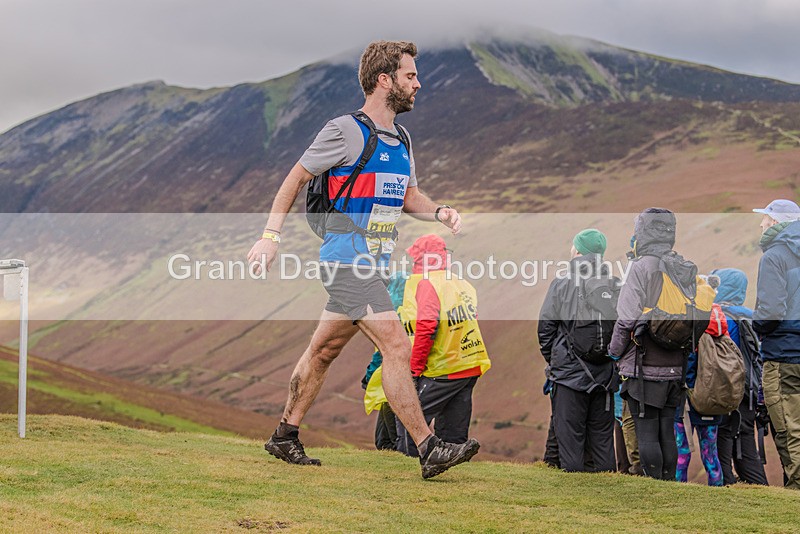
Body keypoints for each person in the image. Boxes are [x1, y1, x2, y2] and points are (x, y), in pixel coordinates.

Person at [247, 40, 478, 479]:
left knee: (323, 350)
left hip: (374, 261)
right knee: (395, 343)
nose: (418, 83)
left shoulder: (403, 137)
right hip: (344, 258)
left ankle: (284, 436)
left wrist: (440, 212)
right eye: (410, 76)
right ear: (384, 80)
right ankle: (429, 449)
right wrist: (269, 236)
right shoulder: (344, 130)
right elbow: (295, 177)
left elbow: (408, 195)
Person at [394, 234, 491, 457]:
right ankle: (452, 476)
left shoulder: (428, 283)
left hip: (442, 368)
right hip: (469, 364)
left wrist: (415, 368)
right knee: (454, 431)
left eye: (415, 258)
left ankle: (406, 472)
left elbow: (427, 326)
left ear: (422, 259)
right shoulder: (461, 283)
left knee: (411, 421)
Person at [610, 208, 687, 481]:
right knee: (667, 427)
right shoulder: (681, 267)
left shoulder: (640, 267)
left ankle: (653, 483)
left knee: (645, 429)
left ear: (642, 234)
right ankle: (668, 483)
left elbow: (626, 318)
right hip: (675, 364)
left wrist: (614, 352)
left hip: (643, 366)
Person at [538, 229, 617, 473]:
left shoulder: (562, 283)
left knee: (570, 438)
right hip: (604, 374)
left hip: (569, 375)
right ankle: (606, 489)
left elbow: (545, 329)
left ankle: (573, 492)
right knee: (603, 439)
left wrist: (557, 360)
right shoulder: (613, 284)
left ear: (578, 251)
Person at [753, 199, 800, 489]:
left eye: (766, 218)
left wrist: (757, 326)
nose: (761, 224)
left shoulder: (774, 256)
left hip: (784, 356)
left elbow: (770, 312)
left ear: (777, 222)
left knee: (788, 429)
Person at [712, 268, 769, 486]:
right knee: (745, 438)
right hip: (751, 391)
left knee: (722, 436)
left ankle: (725, 483)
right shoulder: (753, 317)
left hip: (726, 388)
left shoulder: (719, 317)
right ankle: (758, 485)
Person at [674, 304, 728, 487]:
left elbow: (686, 372)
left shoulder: (691, 335)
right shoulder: (721, 336)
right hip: (712, 400)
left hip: (685, 403)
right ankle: (717, 491)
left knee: (682, 453)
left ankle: (678, 491)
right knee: (710, 453)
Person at [361, 271, 409, 450]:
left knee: (390, 435)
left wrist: (370, 374)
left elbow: (382, 351)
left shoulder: (390, 311)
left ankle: (396, 456)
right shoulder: (410, 310)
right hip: (399, 374)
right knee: (386, 436)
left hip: (389, 376)